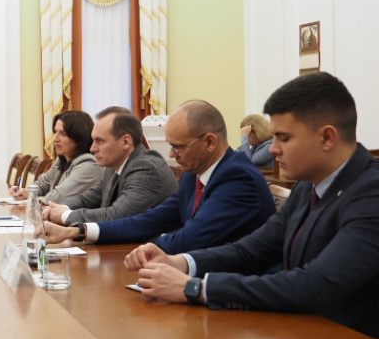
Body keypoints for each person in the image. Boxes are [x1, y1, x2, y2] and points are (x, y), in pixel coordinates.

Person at [124, 73, 379, 339]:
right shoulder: (307, 185)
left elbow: (315, 284)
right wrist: (181, 263)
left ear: (327, 137)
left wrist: (196, 288)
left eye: (283, 138)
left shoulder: (371, 193)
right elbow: (250, 251)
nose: (272, 150)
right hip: (302, 332)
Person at [43, 100, 275, 254]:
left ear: (209, 142)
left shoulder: (238, 177)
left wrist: (146, 246)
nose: (171, 155)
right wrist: (78, 230)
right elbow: (149, 220)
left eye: (178, 147)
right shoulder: (193, 175)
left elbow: (191, 239)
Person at [43, 106, 177, 225]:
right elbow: (87, 199)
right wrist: (61, 207)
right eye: (93, 140)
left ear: (125, 142)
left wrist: (65, 216)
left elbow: (117, 216)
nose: (92, 148)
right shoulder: (114, 167)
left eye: (99, 141)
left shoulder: (145, 168)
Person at [9, 110, 105, 205]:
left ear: (79, 137)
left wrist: (39, 198)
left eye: (63, 134)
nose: (55, 139)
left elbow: (58, 198)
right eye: (55, 132)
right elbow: (43, 184)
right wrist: (26, 192)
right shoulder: (63, 158)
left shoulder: (89, 167)